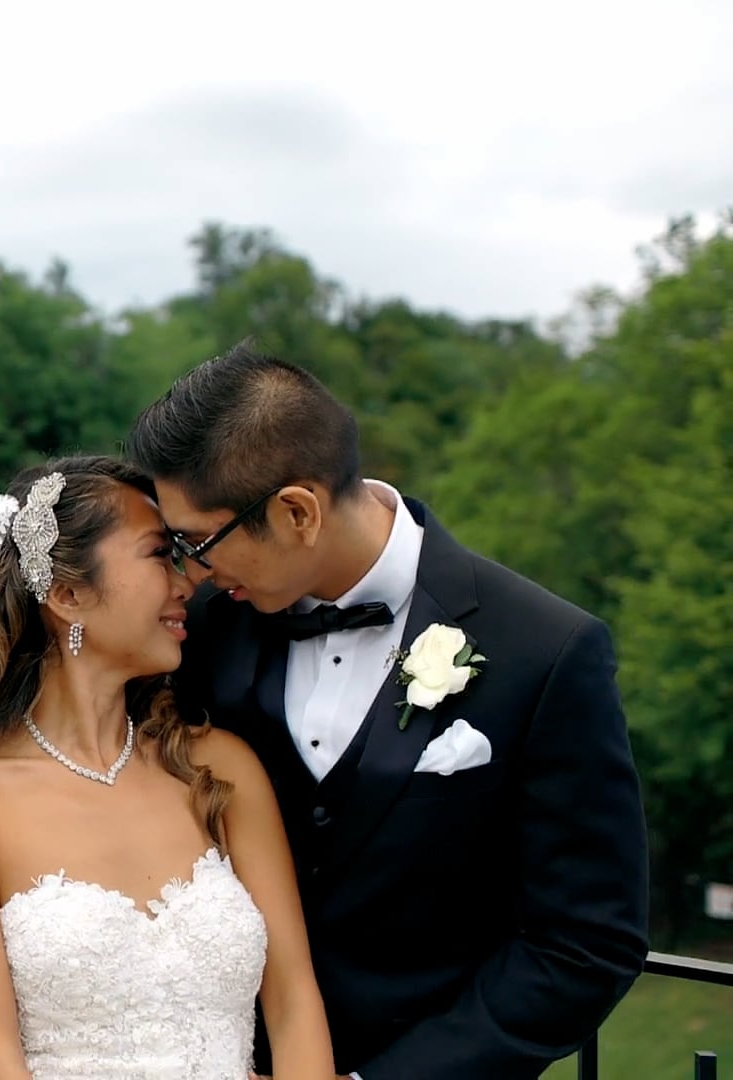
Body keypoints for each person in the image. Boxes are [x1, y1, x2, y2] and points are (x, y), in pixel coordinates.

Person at [117, 343, 651, 1077]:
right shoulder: (199, 632)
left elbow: (584, 943)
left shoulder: (547, 651)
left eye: (198, 542)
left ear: (297, 510)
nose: (192, 570)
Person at [0, 455, 337, 1079]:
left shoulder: (220, 768)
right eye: (158, 555)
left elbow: (295, 1003)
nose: (187, 582)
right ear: (68, 595)